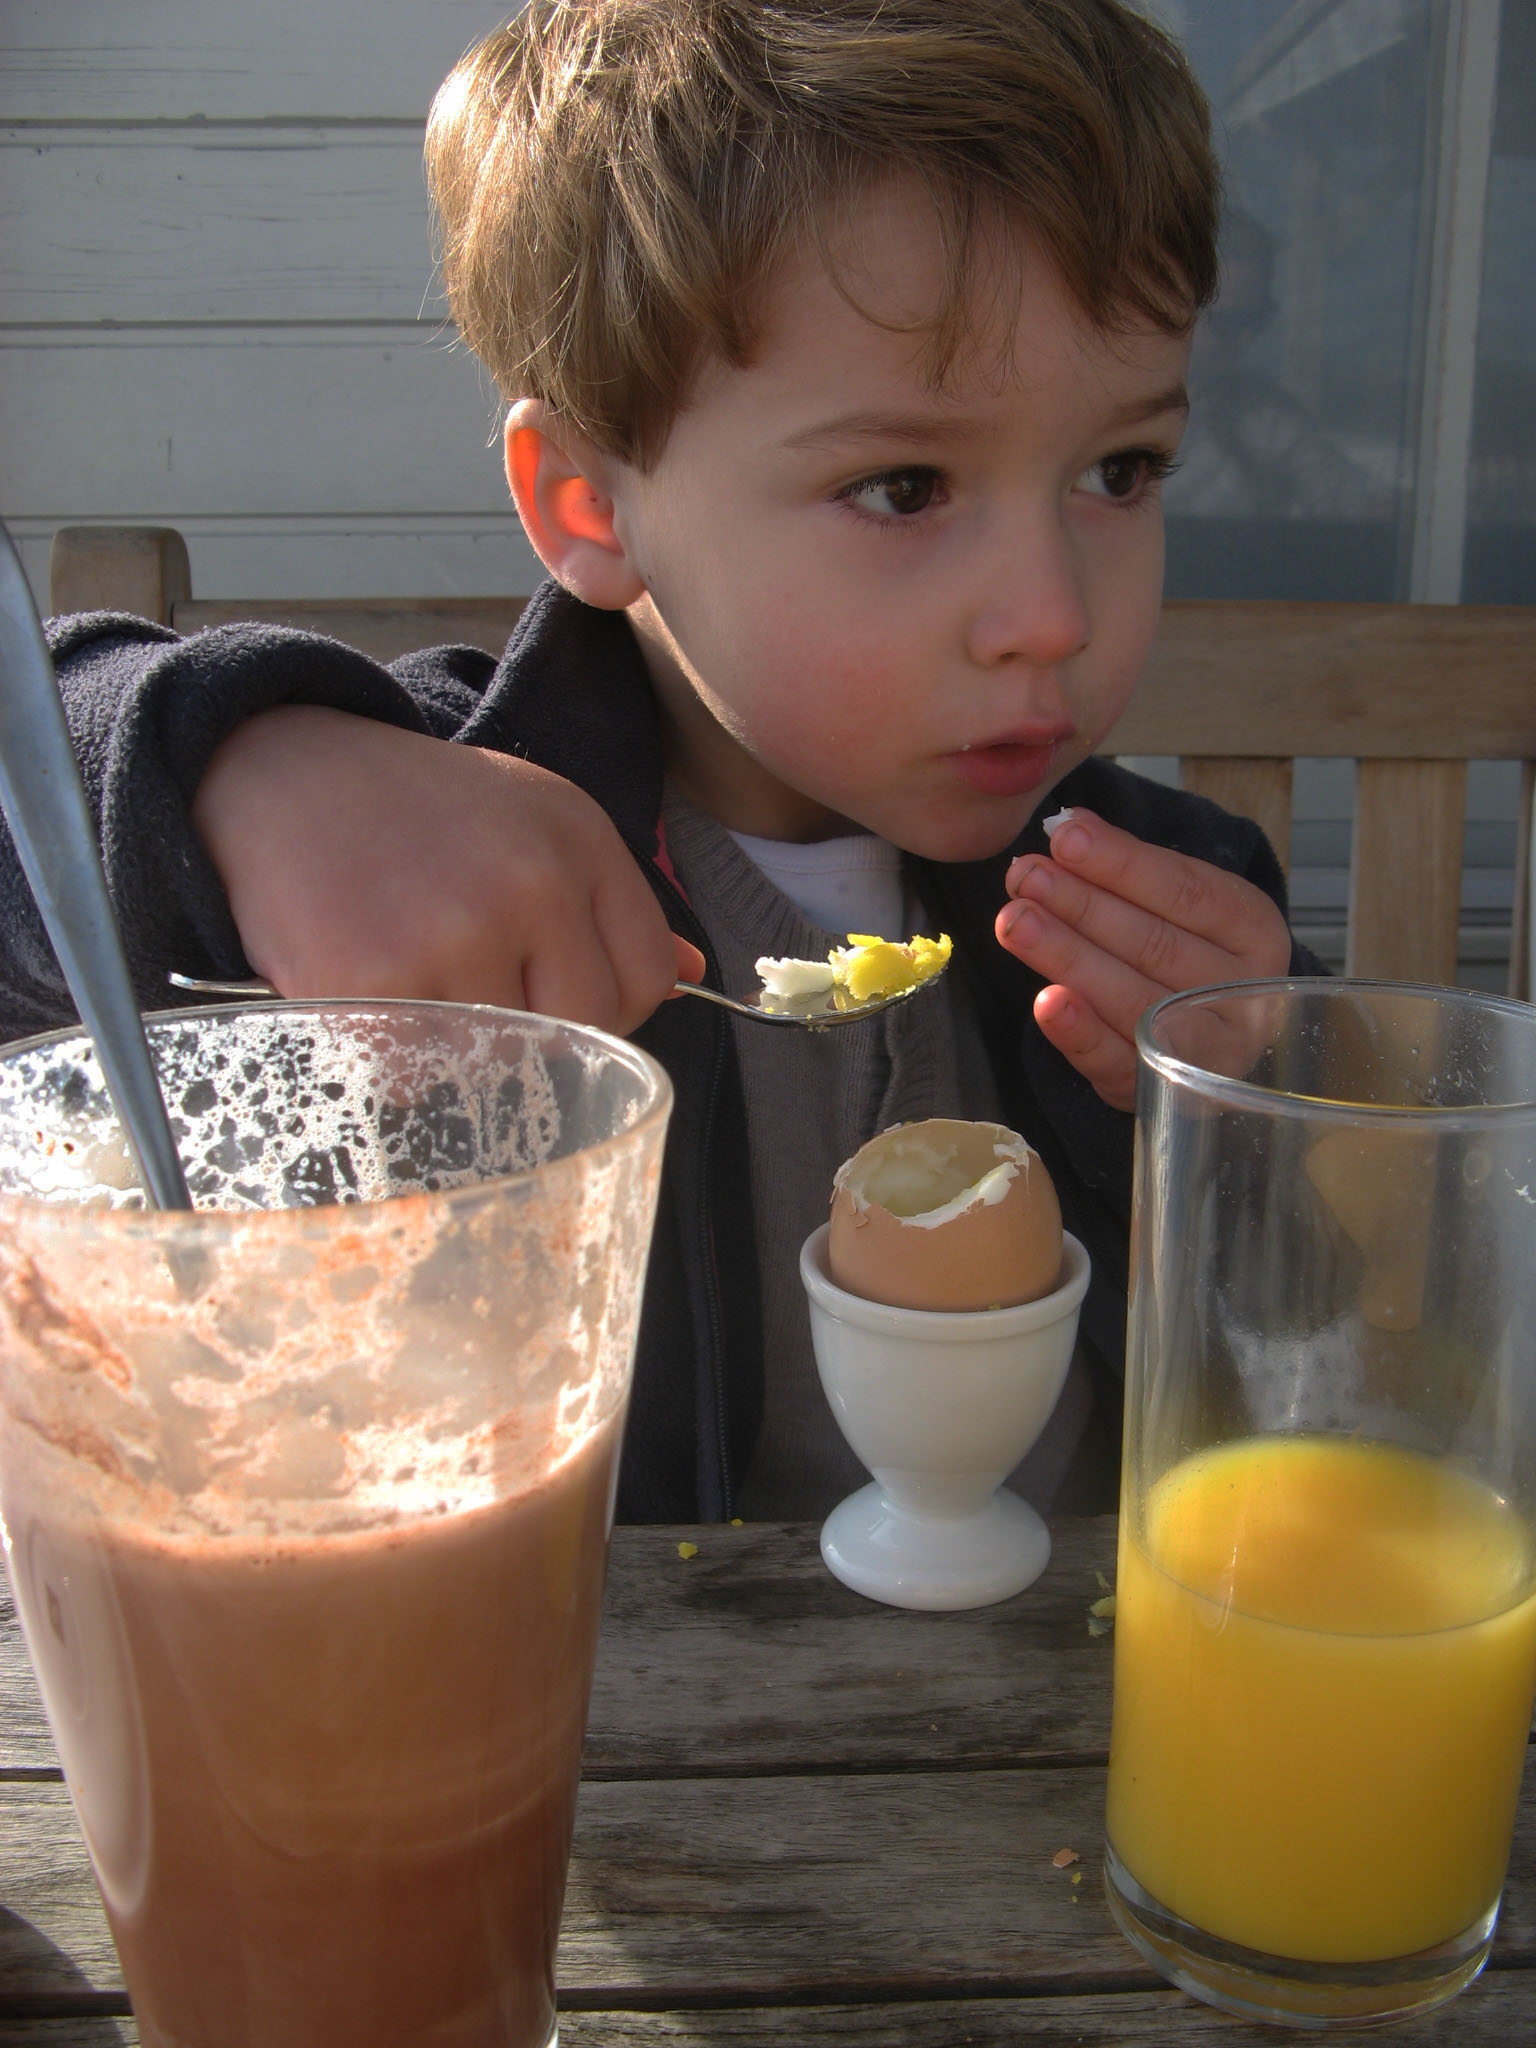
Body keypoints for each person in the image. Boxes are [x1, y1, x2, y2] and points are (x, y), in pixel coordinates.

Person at [3, 0, 1318, 1523]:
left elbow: (1311, 1361)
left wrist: (1261, 1125)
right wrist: (239, 776)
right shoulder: (442, 844)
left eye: (1119, 470)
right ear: (589, 503)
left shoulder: (1182, 910)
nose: (1052, 615)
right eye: (906, 486)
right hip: (602, 1663)